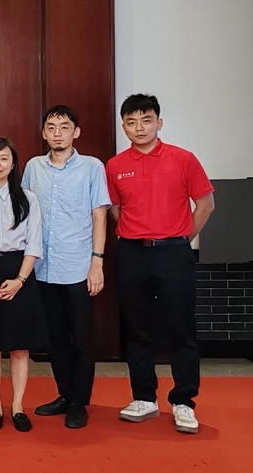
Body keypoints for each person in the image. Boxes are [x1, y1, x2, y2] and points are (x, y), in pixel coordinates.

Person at [106, 94, 214, 435]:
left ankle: (184, 401)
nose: (139, 127)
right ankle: (144, 397)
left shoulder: (183, 159)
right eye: (132, 122)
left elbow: (205, 204)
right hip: (131, 253)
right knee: (137, 328)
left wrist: (180, 237)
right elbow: (115, 209)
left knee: (181, 327)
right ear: (124, 127)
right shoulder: (115, 165)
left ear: (159, 122)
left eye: (146, 120)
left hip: (173, 254)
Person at [22, 105, 111, 429]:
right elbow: (26, 213)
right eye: (51, 127)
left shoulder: (92, 167)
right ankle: (64, 394)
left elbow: (99, 215)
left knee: (82, 337)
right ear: (44, 133)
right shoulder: (33, 167)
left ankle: (78, 402)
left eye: (64, 127)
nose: (57, 133)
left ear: (76, 132)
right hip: (43, 267)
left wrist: (97, 261)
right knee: (55, 337)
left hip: (78, 265)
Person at [0, 137, 46, 433]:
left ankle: (17, 406)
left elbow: (34, 243)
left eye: (4, 158)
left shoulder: (28, 198)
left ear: (13, 164)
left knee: (19, 347)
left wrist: (20, 281)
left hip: (20, 270)